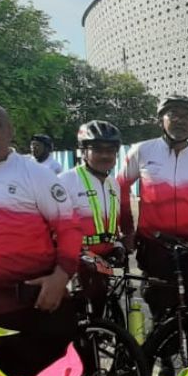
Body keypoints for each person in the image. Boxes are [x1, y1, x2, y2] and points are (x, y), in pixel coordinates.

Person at [0, 101, 81, 376]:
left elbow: (70, 227)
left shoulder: (34, 173)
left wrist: (61, 277)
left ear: (10, 132)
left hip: (30, 308)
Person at [118, 94, 188, 367]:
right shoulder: (142, 151)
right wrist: (127, 230)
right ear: (160, 120)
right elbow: (119, 187)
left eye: (186, 116)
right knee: (161, 305)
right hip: (154, 245)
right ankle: (165, 361)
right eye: (173, 113)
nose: (179, 120)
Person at [59, 120, 124, 318]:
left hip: (104, 264)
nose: (105, 155)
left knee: (101, 316)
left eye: (111, 150)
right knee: (78, 322)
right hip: (77, 266)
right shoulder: (65, 181)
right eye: (97, 149)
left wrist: (118, 243)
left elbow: (113, 223)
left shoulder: (114, 184)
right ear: (83, 151)